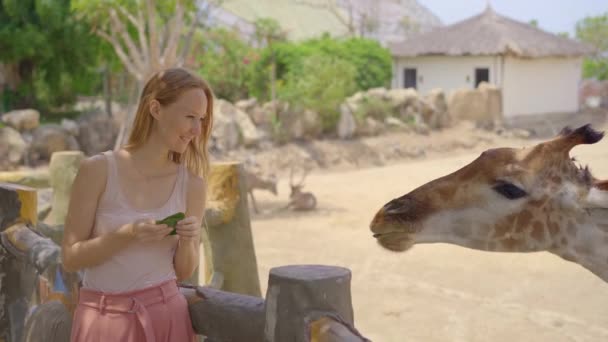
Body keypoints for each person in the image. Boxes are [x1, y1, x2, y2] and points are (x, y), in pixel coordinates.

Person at [62, 67, 214, 341]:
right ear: (156, 109)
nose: (197, 130)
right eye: (190, 116)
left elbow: (183, 271)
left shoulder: (192, 185)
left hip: (167, 317)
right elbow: (71, 258)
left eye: (201, 119)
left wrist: (189, 241)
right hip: (102, 320)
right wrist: (127, 234)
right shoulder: (97, 170)